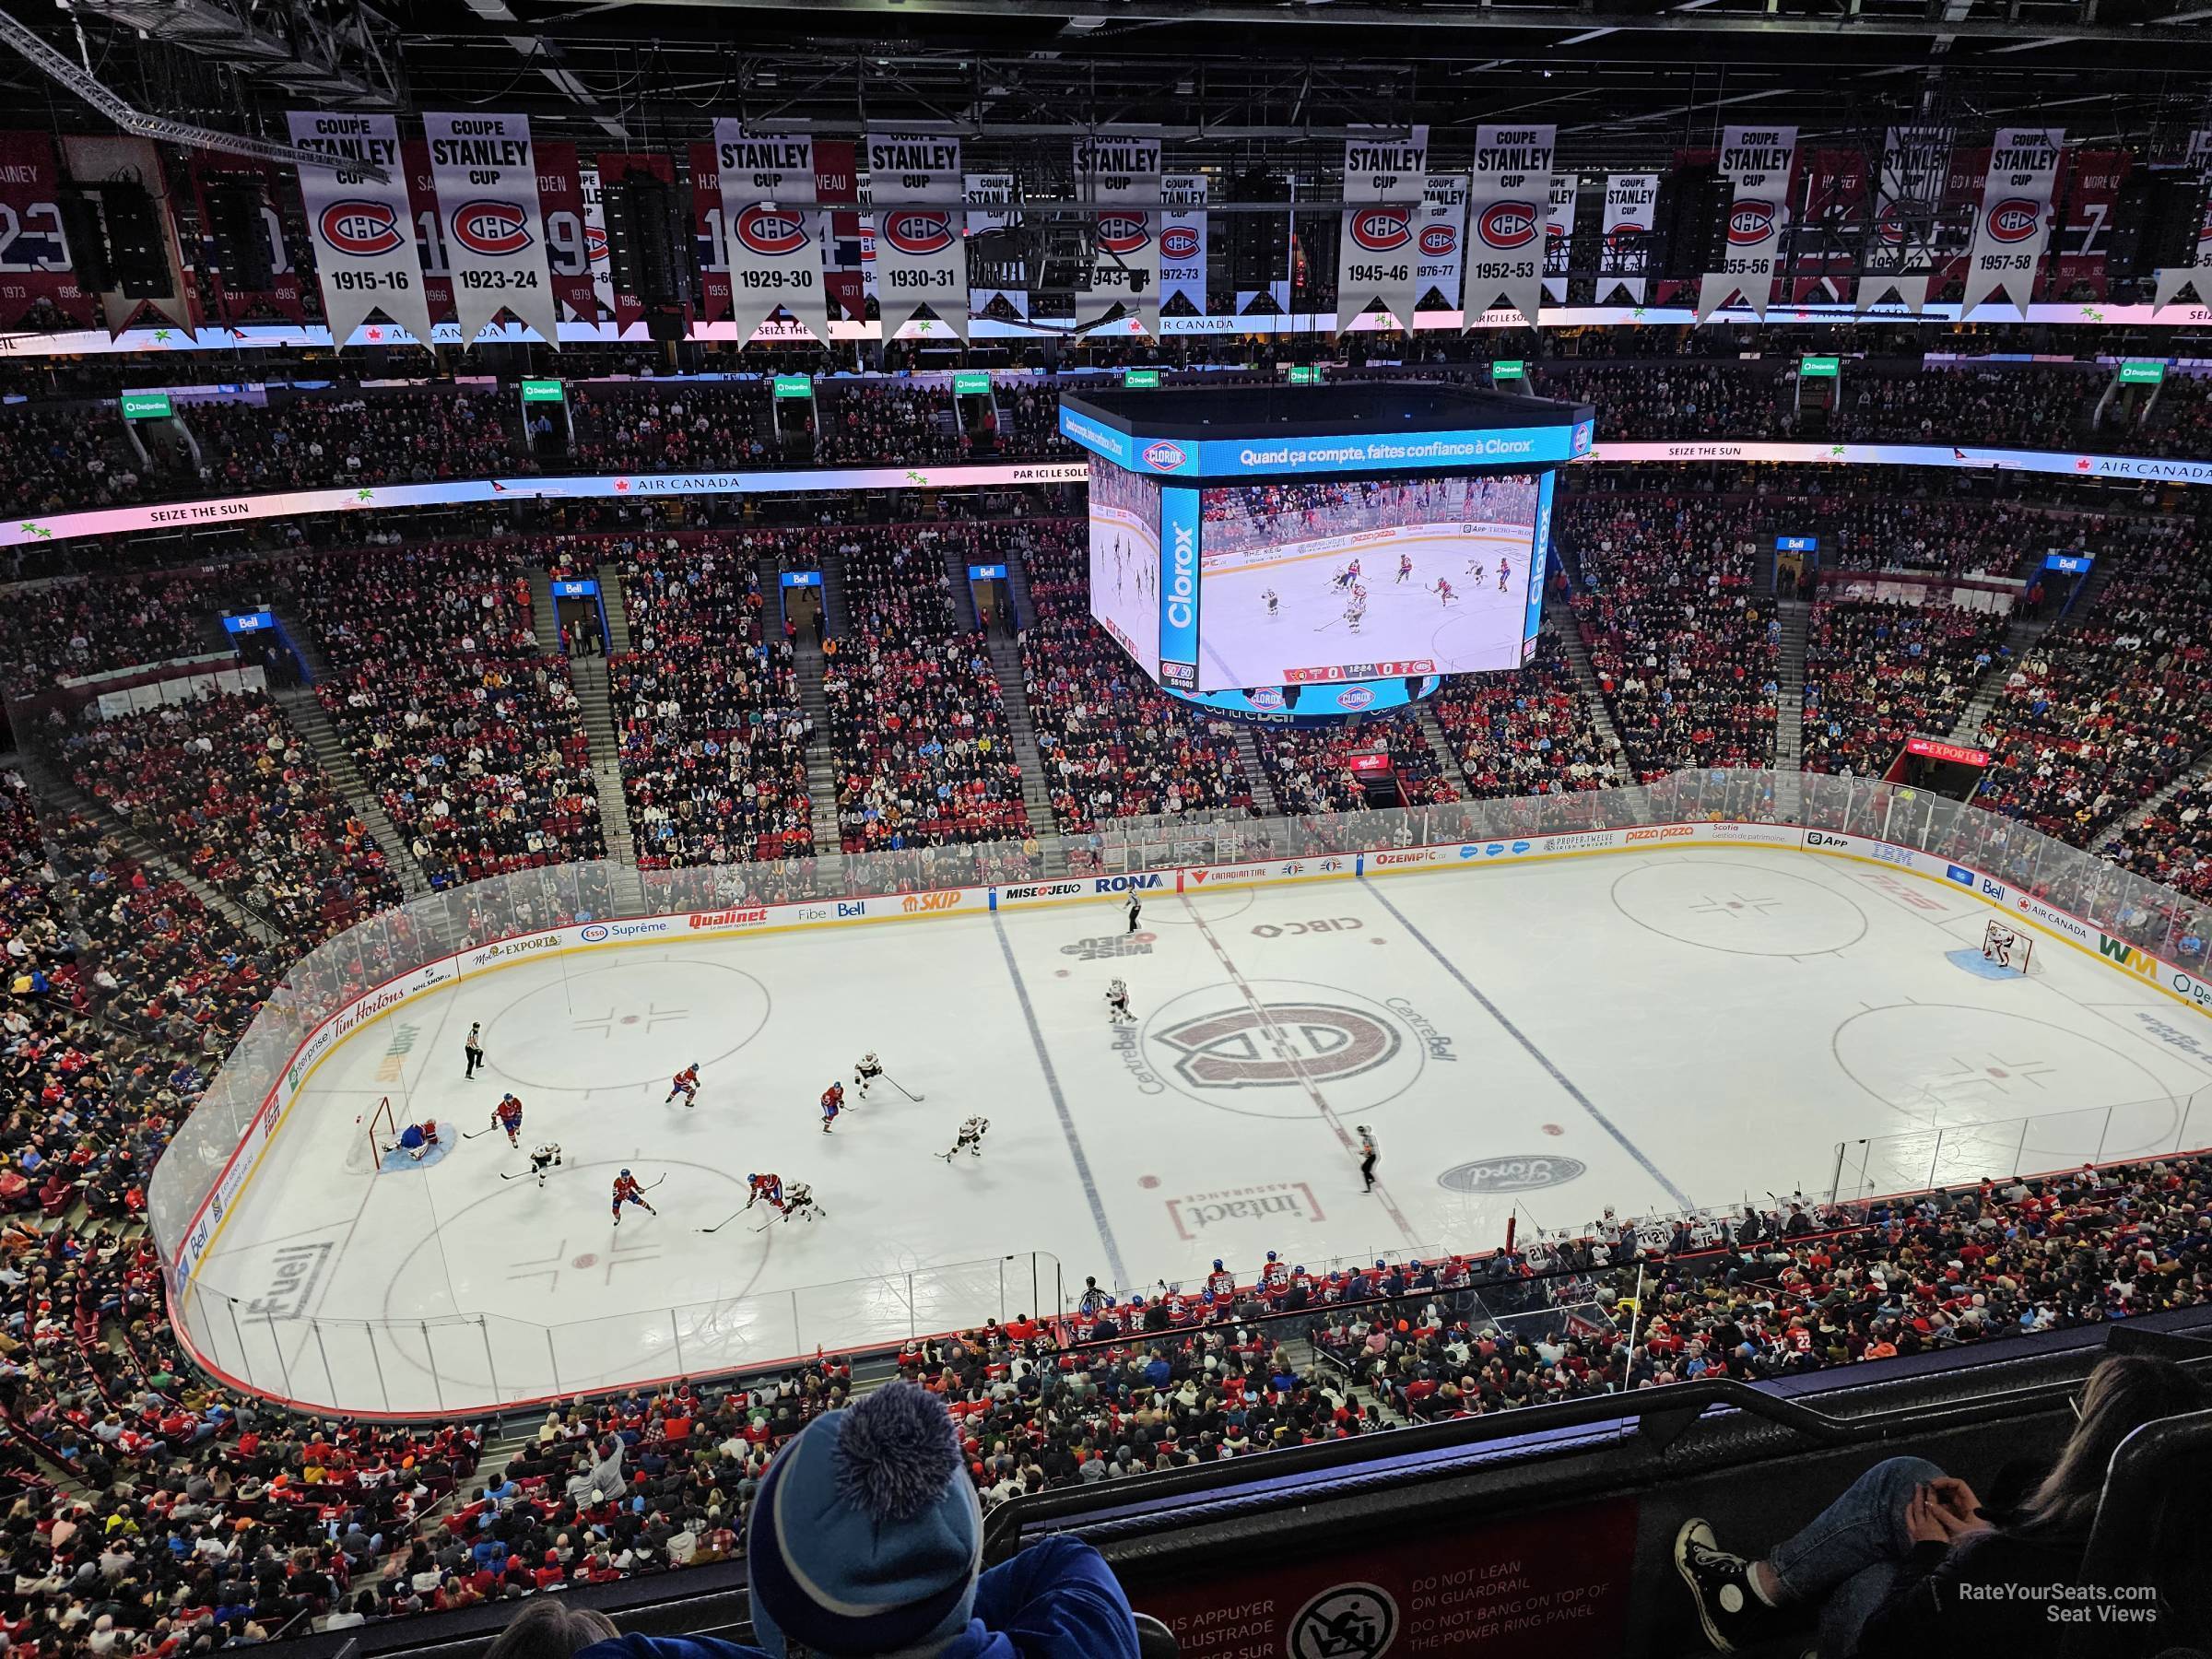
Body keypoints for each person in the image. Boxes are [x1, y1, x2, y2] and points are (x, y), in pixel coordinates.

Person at [545, 1383, 1138, 1659]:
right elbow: (1071, 1561)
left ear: (788, 1631)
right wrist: (928, 1613)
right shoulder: (1086, 1640)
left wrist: (895, 1614)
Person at [1674, 1354, 2209, 1658]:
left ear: (2094, 1449)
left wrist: (1933, 1560)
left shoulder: (2007, 1571)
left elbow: (1894, 1645)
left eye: (2081, 1416)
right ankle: (1746, 1595)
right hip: (2005, 1603)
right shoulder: (2169, 1551)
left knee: (1870, 1570)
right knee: (1909, 1482)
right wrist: (1986, 1528)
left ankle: (1746, 1598)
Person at [1356, 1124, 1378, 1193]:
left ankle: (1370, 1184)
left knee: (1364, 1169)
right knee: (1365, 1169)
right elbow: (1368, 1149)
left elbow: (1368, 1149)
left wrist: (1363, 1153)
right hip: (1372, 1156)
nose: (1359, 1133)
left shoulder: (1366, 1139)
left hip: (1372, 1156)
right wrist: (1364, 1152)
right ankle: (1371, 1181)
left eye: (1360, 1131)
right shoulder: (1367, 1138)